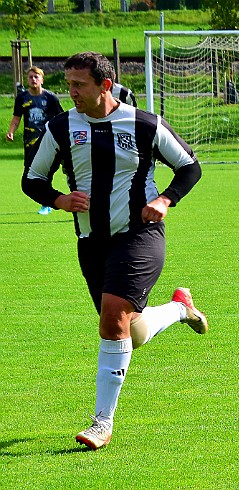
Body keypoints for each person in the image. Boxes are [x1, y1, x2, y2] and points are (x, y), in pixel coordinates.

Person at [21, 52, 209, 450]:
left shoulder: (144, 124)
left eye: (78, 85)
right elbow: (33, 178)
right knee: (130, 331)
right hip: (92, 243)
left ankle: (101, 423)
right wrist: (58, 199)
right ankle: (179, 308)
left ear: (105, 85)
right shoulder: (60, 127)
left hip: (140, 234)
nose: (70, 92)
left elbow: (189, 166)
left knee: (112, 319)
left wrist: (166, 200)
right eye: (68, 84)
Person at [6, 66, 64, 215]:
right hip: (30, 143)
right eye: (30, 77)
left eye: (36, 77)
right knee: (31, 173)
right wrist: (11, 132)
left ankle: (50, 202)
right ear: (27, 80)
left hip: (48, 142)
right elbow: (16, 118)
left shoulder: (50, 98)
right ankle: (46, 202)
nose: (33, 79)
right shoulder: (22, 98)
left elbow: (61, 119)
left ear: (42, 79)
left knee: (47, 171)